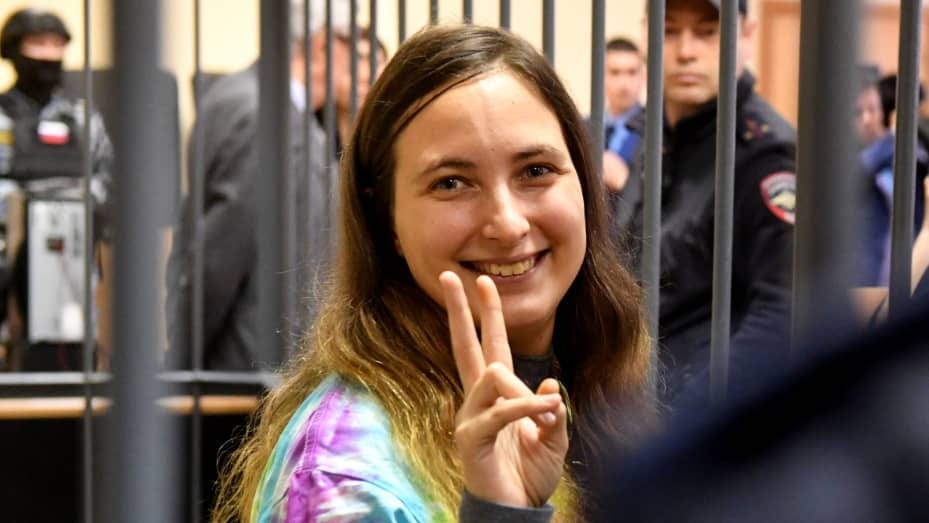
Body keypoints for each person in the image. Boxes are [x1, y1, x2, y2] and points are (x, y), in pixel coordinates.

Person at [213, 24, 656, 522]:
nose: (508, 224)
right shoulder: (341, 476)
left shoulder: (590, 383)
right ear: (387, 221)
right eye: (452, 183)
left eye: (536, 170)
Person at [617, 0, 796, 407]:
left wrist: (690, 424)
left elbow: (780, 313)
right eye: (670, 31)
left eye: (706, 33)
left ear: (746, 37)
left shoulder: (765, 155)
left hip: (698, 415)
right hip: (630, 393)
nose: (685, 51)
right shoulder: (655, 134)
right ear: (647, 36)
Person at [166, 0, 351, 370]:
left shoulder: (283, 112)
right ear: (321, 46)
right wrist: (181, 367)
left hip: (275, 367)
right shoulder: (262, 113)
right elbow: (221, 254)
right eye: (351, 44)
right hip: (249, 374)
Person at [0, 8, 113, 370]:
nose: (48, 55)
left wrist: (73, 203)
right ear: (13, 51)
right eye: (37, 45)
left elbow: (107, 177)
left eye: (56, 45)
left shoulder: (83, 118)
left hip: (74, 256)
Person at [855, 70, 928, 286]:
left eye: (872, 110)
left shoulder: (903, 161)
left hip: (883, 279)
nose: (866, 120)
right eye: (858, 112)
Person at [325, 26, 387, 158]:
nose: (364, 76)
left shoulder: (394, 134)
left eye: (374, 64)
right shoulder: (308, 130)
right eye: (351, 66)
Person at [601, 37, 645, 193]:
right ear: (601, 76)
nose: (624, 83)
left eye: (632, 72)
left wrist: (625, 182)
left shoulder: (658, 130)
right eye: (615, 72)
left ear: (643, 77)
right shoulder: (582, 129)